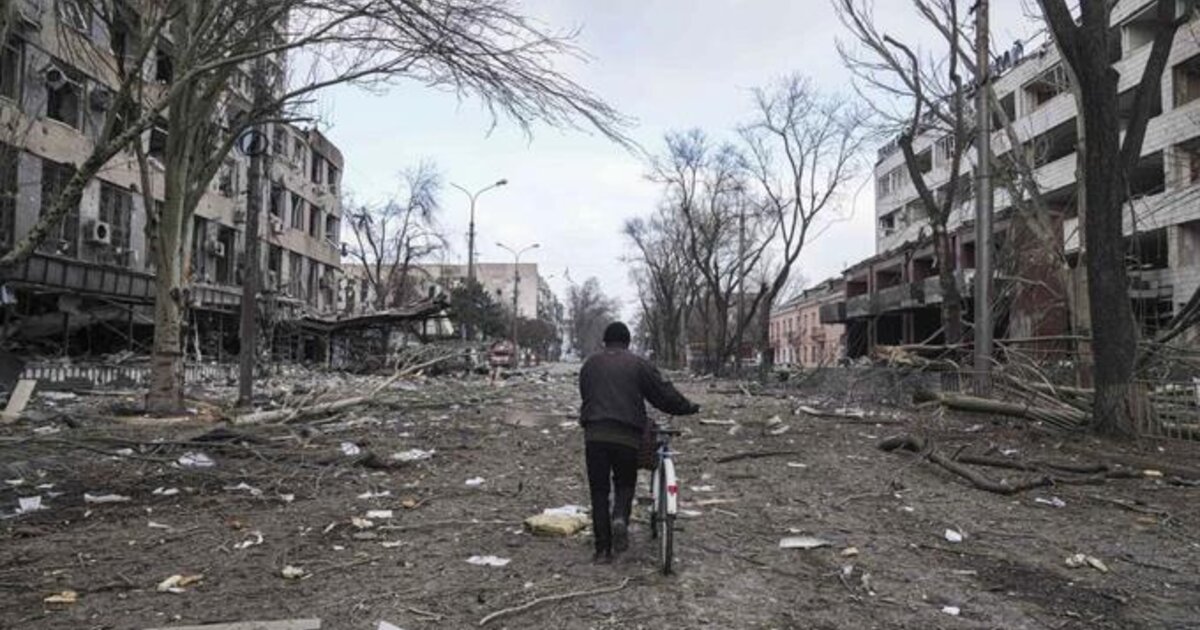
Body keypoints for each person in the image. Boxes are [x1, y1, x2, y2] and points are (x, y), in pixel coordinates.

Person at [578, 322, 700, 564]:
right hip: (627, 436)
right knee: (625, 482)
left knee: (599, 491)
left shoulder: (590, 364)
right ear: (628, 342)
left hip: (595, 435)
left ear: (605, 341)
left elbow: (586, 394)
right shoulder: (638, 364)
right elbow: (662, 395)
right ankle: (620, 517)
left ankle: (602, 550)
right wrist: (687, 407)